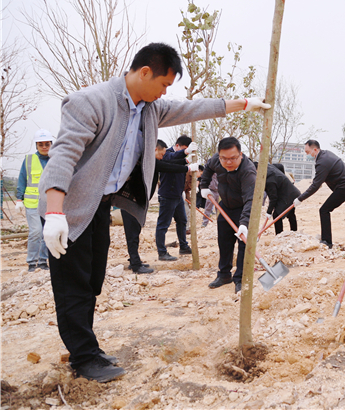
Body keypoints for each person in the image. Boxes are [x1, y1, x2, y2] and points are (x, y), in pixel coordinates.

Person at [39, 42, 270, 383]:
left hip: (99, 207)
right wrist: (55, 212)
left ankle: (86, 347)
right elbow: (63, 156)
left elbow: (195, 108)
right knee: (73, 284)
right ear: (145, 72)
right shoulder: (91, 102)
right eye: (163, 84)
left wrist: (245, 104)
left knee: (92, 280)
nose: (165, 93)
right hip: (68, 208)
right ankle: (84, 358)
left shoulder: (150, 108)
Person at [121, 139, 198, 274]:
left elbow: (167, 163)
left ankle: (135, 260)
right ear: (155, 150)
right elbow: (166, 166)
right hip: (129, 199)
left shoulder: (149, 159)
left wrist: (185, 161)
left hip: (137, 200)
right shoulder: (145, 159)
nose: (163, 157)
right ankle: (135, 264)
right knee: (132, 232)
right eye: (161, 155)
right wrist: (187, 166)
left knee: (135, 230)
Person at [201, 137, 256, 294]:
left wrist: (244, 224)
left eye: (233, 158)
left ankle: (240, 279)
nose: (228, 162)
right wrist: (204, 186)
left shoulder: (248, 171)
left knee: (244, 245)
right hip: (225, 207)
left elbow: (251, 200)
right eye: (224, 158)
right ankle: (224, 275)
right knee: (224, 242)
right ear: (219, 156)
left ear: (240, 154)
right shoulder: (217, 160)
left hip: (244, 208)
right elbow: (208, 168)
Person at [293, 140, 345, 249]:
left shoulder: (322, 162)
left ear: (315, 150)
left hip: (344, 187)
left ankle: (327, 241)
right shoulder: (326, 154)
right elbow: (319, 182)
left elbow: (315, 185)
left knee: (324, 210)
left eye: (307, 152)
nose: (307, 155)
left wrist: (300, 198)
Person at [15, 129, 54, 272]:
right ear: (36, 146)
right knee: (36, 232)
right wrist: (19, 199)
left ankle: (43, 261)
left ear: (51, 144)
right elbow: (22, 179)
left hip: (50, 203)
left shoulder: (56, 159)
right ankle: (32, 261)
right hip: (32, 203)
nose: (44, 147)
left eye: (47, 144)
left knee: (46, 232)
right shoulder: (29, 160)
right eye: (41, 144)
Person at [155, 135, 196, 261]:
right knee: (163, 224)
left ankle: (183, 246)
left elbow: (177, 162)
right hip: (167, 195)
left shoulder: (176, 156)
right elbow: (172, 160)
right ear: (177, 146)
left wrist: (186, 160)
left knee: (182, 221)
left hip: (178, 195)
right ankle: (162, 252)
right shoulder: (166, 154)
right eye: (183, 149)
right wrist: (186, 155)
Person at [258, 162, 300, 234]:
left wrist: (269, 211)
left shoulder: (270, 180)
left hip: (289, 195)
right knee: (290, 214)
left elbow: (273, 197)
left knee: (277, 215)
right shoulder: (269, 171)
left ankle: (280, 235)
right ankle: (294, 232)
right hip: (287, 193)